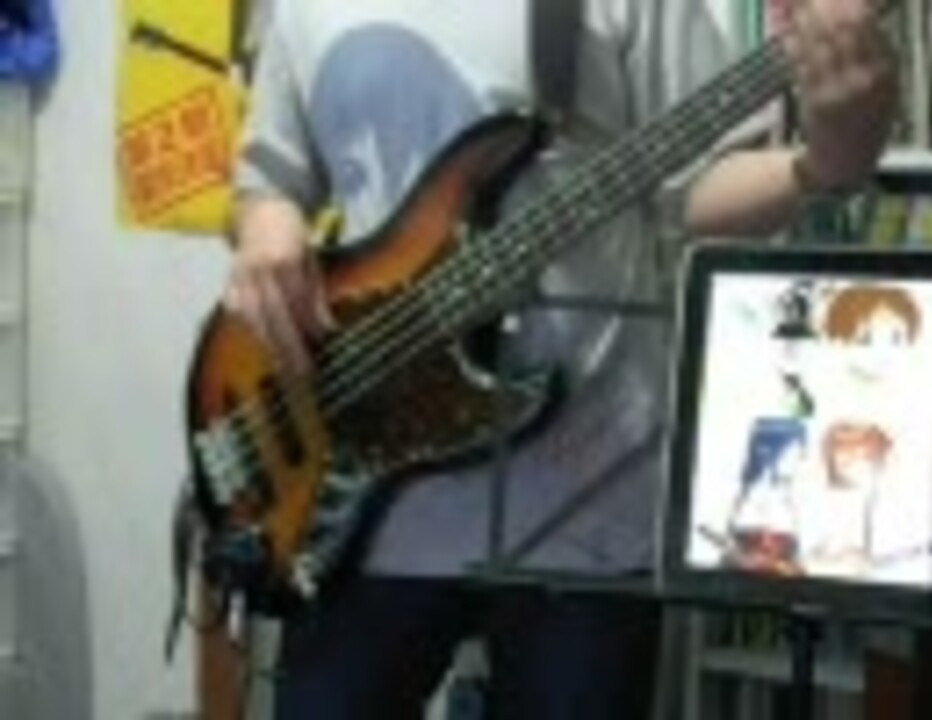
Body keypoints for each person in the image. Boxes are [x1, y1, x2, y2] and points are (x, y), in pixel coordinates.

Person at [222, 0, 898, 717]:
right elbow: (269, 180)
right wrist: (265, 225)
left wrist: (830, 158)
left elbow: (698, 190)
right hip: (363, 489)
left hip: (587, 499)